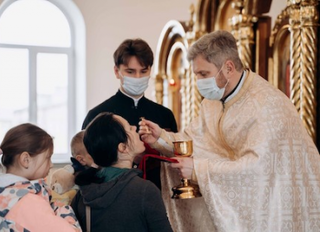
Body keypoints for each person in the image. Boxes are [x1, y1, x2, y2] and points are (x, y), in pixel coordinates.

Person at [139, 30, 320, 232]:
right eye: (196, 74)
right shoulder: (213, 103)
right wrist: (161, 138)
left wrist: (198, 170)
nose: (199, 81)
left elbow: (258, 170)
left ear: (229, 68)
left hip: (275, 208)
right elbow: (195, 141)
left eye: (204, 74)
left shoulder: (267, 106)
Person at [82, 38, 178, 189]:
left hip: (158, 193)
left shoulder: (164, 115)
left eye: (143, 71)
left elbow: (175, 160)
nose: (138, 78)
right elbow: (86, 164)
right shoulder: (97, 115)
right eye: (130, 72)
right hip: (112, 195)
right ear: (117, 71)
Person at [70, 112, 173, 232]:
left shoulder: (83, 194)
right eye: (129, 128)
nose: (135, 127)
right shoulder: (145, 191)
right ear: (122, 148)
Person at [0, 123, 81, 232]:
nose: (51, 165)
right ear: (26, 160)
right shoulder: (28, 202)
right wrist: (61, 208)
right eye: (48, 158)